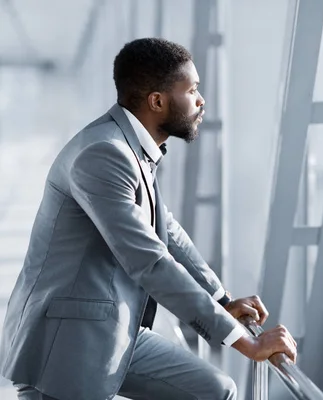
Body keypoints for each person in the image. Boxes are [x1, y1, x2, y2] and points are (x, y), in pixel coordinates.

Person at [0, 38, 297, 400]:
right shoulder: (103, 154)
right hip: (66, 342)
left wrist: (221, 299)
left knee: (215, 391)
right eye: (192, 90)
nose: (201, 101)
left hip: (113, 330)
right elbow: (149, 260)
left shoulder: (131, 149)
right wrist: (243, 342)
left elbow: (167, 230)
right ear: (157, 101)